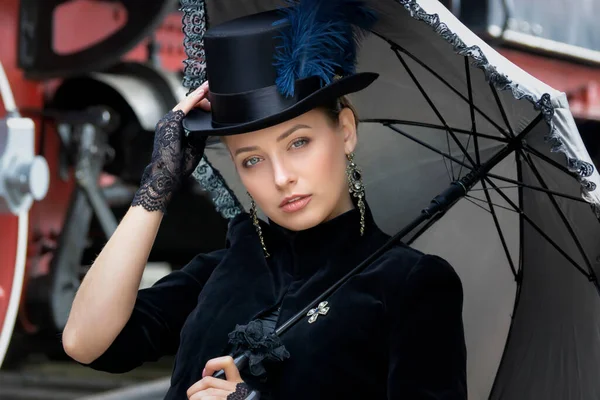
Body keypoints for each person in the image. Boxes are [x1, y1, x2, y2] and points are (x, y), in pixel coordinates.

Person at [62, 4, 467, 400]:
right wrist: (159, 182)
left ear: (345, 131)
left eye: (299, 142)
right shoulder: (219, 271)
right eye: (252, 159)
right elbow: (85, 341)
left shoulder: (409, 284)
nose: (280, 177)